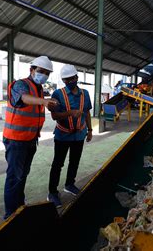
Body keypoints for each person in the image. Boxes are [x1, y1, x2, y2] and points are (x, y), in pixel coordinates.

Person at [2, 56, 59, 219]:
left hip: (30, 140)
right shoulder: (20, 85)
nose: (44, 76)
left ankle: (19, 206)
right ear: (31, 70)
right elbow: (24, 98)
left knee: (22, 175)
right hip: (16, 140)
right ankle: (10, 215)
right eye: (41, 71)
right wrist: (44, 101)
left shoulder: (39, 89)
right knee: (14, 177)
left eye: (47, 73)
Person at [47, 64, 93, 207]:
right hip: (62, 135)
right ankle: (53, 192)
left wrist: (90, 130)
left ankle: (69, 184)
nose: (69, 81)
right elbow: (54, 116)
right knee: (58, 164)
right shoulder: (58, 94)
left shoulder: (85, 94)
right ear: (63, 80)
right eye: (66, 80)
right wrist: (69, 113)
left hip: (79, 135)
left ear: (76, 77)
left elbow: (87, 113)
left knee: (74, 161)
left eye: (71, 78)